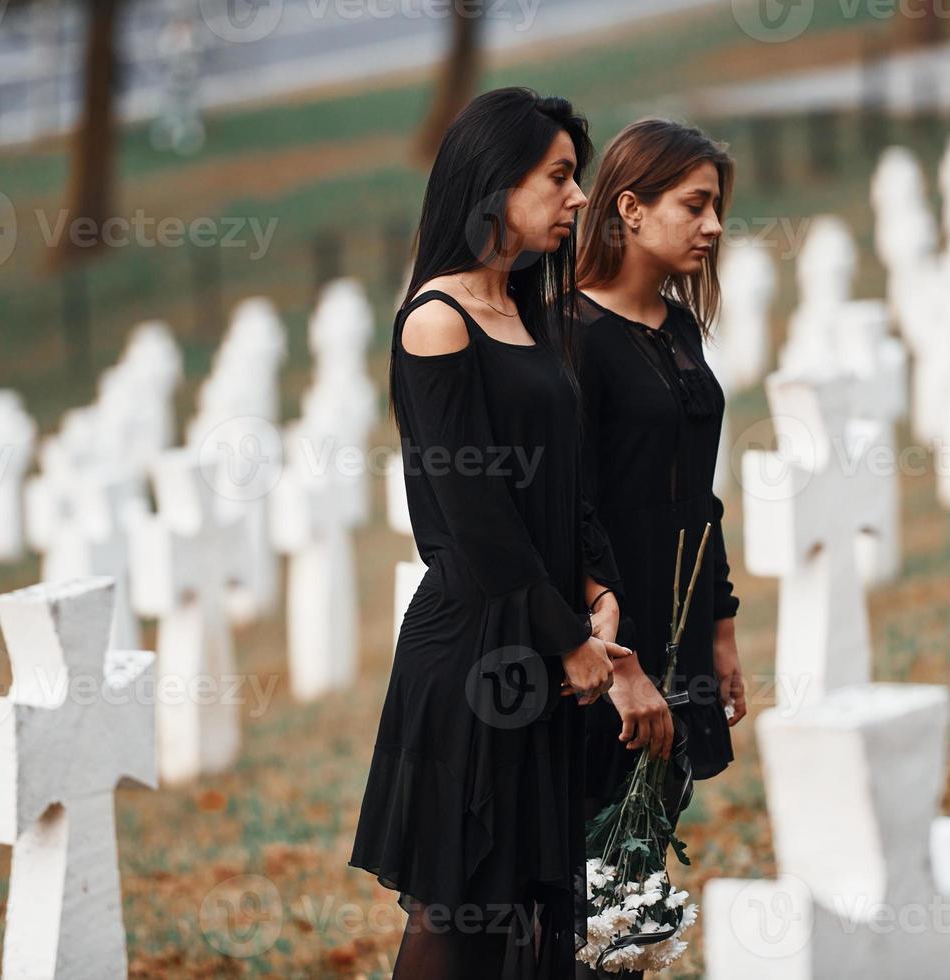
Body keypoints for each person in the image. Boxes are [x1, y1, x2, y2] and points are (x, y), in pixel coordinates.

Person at [347, 87, 633, 980]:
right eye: (558, 177)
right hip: (475, 653)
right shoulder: (438, 322)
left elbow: (566, 479)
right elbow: (476, 522)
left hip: (546, 637)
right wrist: (569, 643)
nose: (578, 198)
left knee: (532, 917)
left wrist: (601, 588)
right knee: (461, 910)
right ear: (492, 186)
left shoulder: (531, 311)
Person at [573, 120, 749, 978]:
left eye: (718, 206)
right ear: (631, 208)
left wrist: (721, 627)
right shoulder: (572, 336)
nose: (714, 225)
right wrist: (617, 658)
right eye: (697, 204)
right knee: (592, 857)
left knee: (641, 853)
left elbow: (698, 497)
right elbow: (570, 510)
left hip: (682, 627)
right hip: (611, 634)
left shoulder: (680, 327)